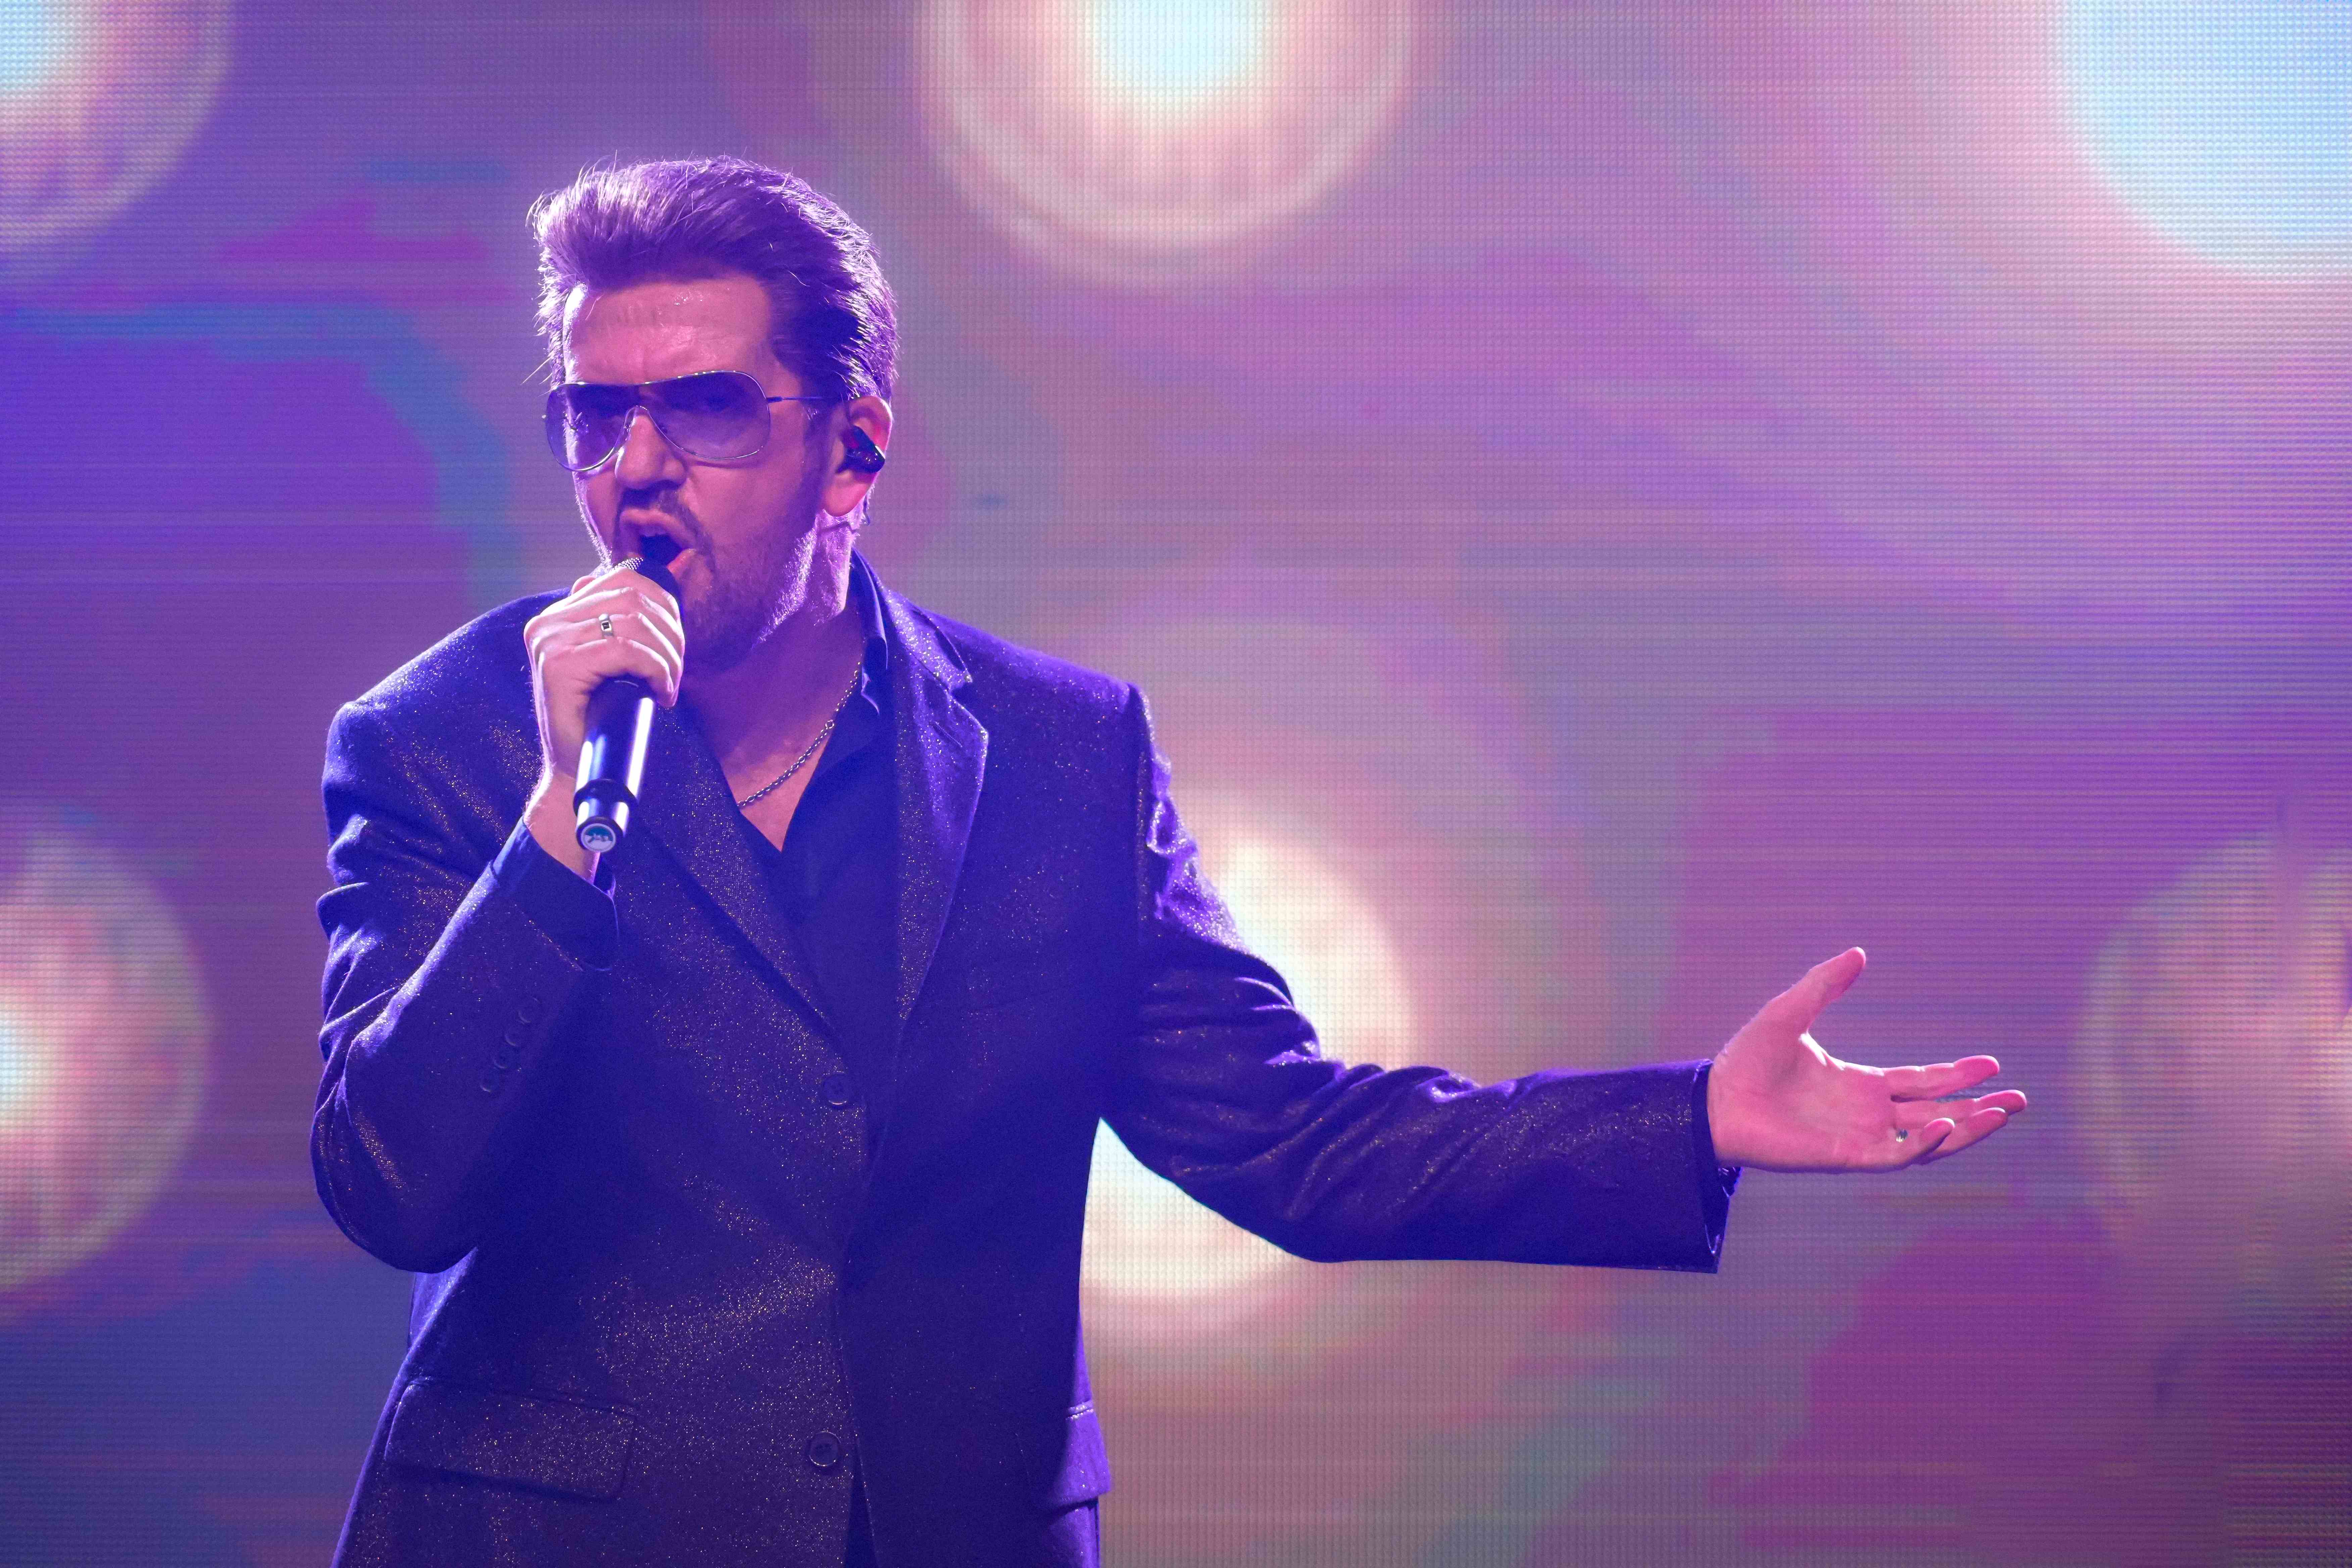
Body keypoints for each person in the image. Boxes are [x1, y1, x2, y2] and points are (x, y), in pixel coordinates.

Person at [310, 156, 2025, 1568]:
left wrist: (1689, 1122)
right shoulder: (441, 742)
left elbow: (1286, 1137)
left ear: (856, 447)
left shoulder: (1062, 758)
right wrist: (555, 833)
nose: (636, 471)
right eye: (593, 418)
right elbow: (396, 1187)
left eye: (705, 410)